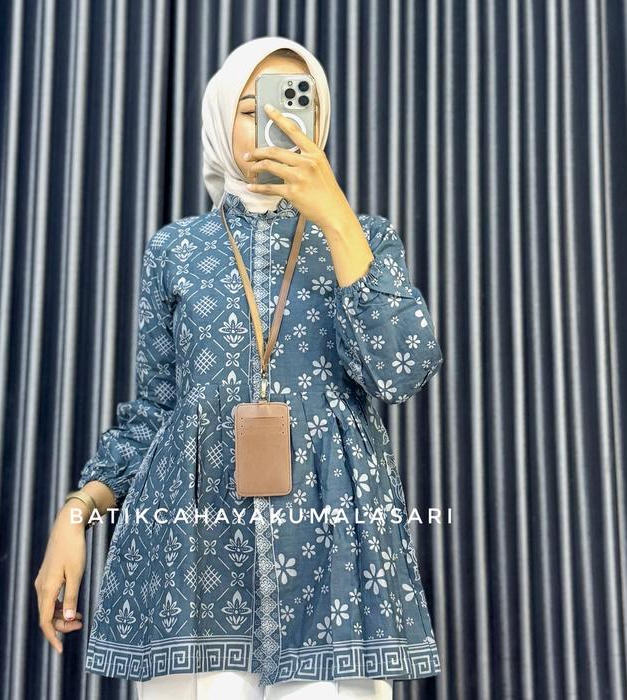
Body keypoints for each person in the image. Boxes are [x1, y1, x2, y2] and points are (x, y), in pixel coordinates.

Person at [34, 36, 444, 700]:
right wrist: (77, 513)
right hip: (194, 553)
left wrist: (336, 216)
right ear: (221, 117)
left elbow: (402, 371)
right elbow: (155, 412)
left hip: (329, 556)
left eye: (293, 106)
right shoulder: (175, 250)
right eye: (252, 110)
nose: (273, 124)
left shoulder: (363, 237)